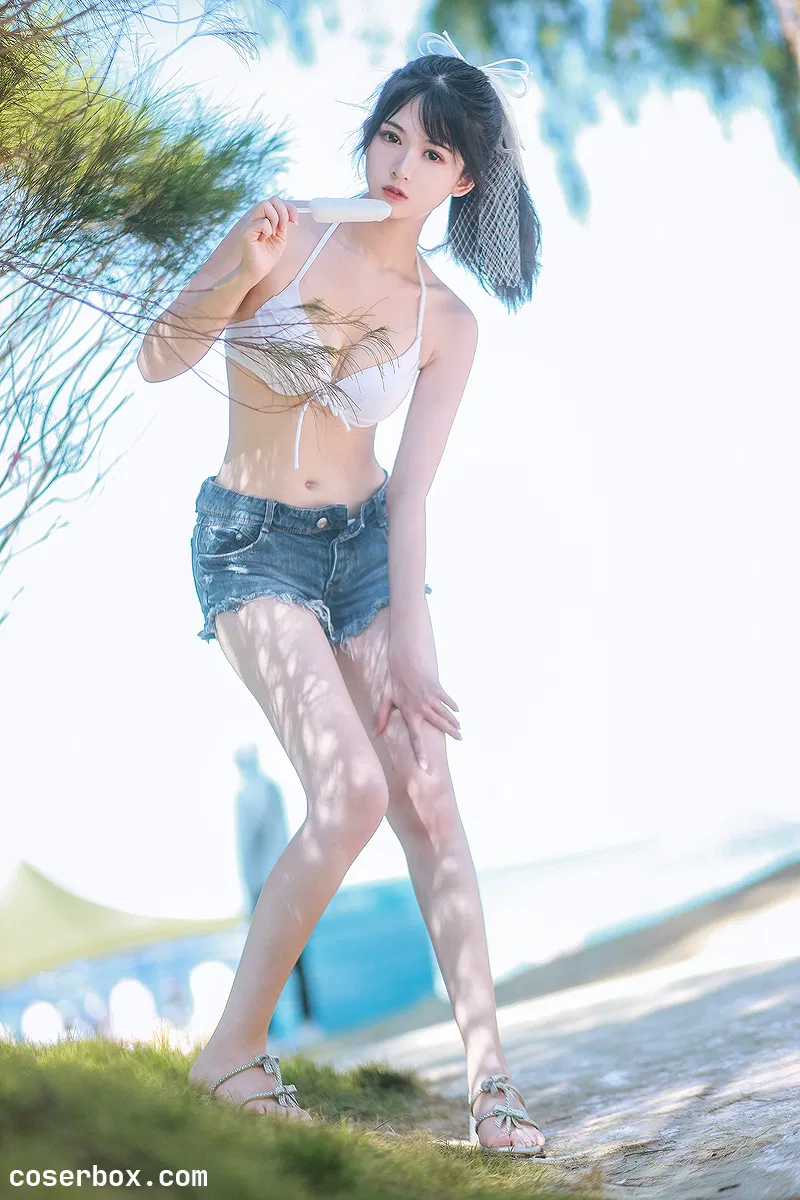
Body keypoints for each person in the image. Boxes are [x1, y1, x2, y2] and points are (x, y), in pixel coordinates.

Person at [138, 30, 545, 1156]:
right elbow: (157, 358)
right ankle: (231, 1052)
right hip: (251, 545)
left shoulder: (445, 323)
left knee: (427, 794)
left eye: (431, 153)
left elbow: (408, 497)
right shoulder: (285, 233)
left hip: (363, 552)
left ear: (463, 179)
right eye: (389, 136)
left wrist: (414, 645)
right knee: (351, 788)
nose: (399, 164)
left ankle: (491, 1084)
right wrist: (236, 262)